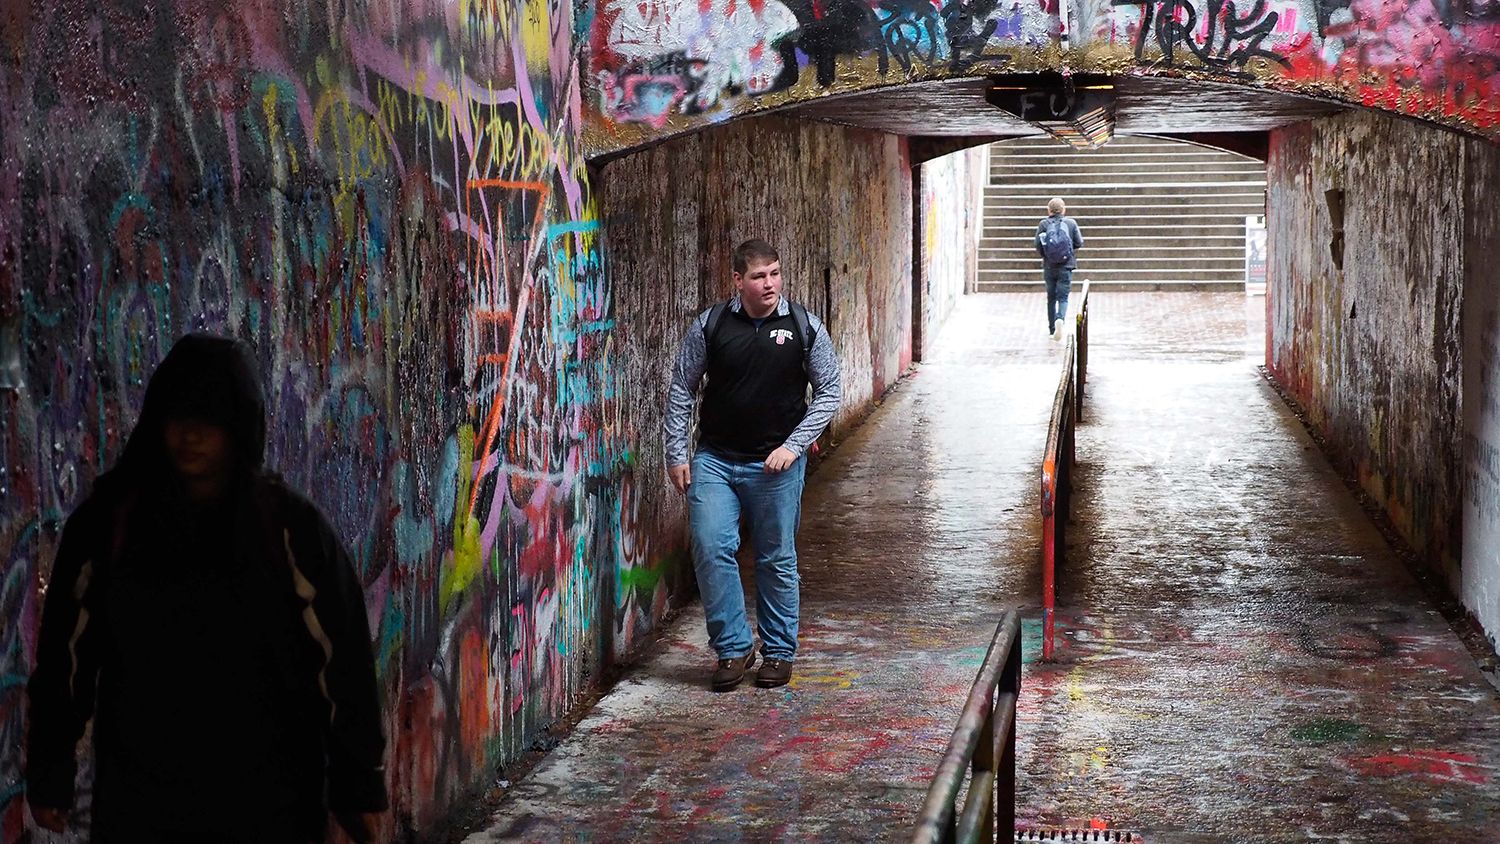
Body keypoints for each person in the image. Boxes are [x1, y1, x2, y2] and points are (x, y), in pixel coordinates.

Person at [26, 334, 388, 843]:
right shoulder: (111, 525)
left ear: (237, 426)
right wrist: (50, 771)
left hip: (269, 802)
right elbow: (66, 656)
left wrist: (359, 787)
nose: (190, 435)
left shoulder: (288, 531)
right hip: (144, 802)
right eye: (178, 416)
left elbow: (342, 662)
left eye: (209, 419)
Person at [663, 239, 841, 692]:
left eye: (776, 274)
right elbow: (682, 387)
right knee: (709, 546)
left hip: (775, 467)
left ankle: (778, 652)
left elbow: (830, 394)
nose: (770, 284)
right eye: (760, 276)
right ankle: (732, 649)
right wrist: (676, 453)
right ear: (738, 281)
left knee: (775, 557)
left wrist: (795, 445)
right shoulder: (711, 325)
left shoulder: (805, 327)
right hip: (716, 459)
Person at [1035, 197, 1084, 340]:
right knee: (1063, 297)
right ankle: (1060, 319)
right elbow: (1079, 242)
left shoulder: (1043, 224)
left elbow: (1037, 244)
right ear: (1064, 209)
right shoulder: (1070, 223)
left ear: (1048, 210)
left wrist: (1048, 255)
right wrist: (1067, 253)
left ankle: (1052, 330)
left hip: (1049, 266)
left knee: (1051, 297)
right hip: (1066, 265)